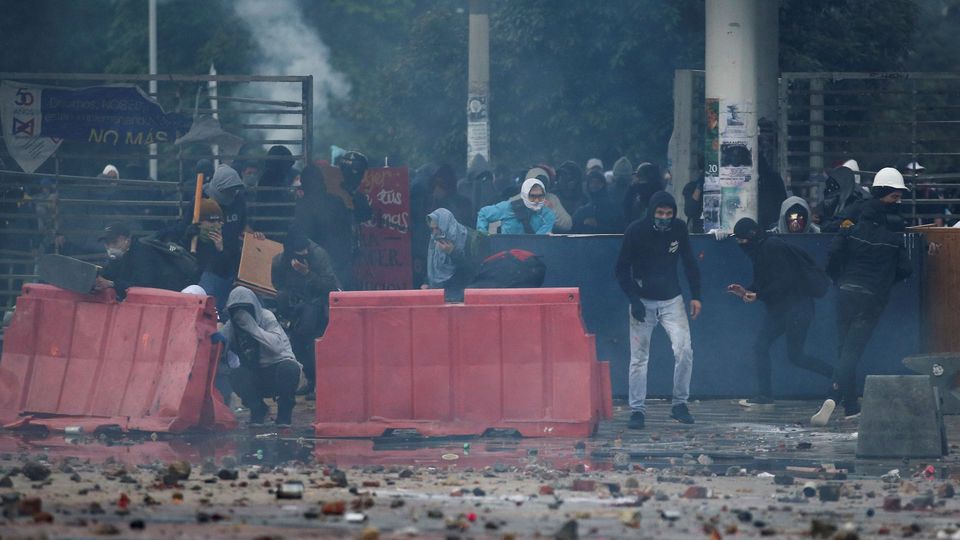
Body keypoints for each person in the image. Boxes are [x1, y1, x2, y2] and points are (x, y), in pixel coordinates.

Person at [809, 191, 912, 426]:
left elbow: (833, 254)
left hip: (846, 293)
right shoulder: (893, 239)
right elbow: (906, 270)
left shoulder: (850, 231)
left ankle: (851, 406)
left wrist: (838, 278)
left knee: (844, 348)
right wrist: (886, 281)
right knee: (851, 352)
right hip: (872, 299)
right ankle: (833, 395)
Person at [615, 191, 702, 429]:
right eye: (660, 213)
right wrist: (634, 299)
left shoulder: (679, 229)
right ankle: (637, 410)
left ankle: (680, 404)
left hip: (672, 299)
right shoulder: (636, 231)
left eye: (669, 213)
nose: (664, 217)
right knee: (639, 358)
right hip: (642, 300)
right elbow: (621, 269)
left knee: (684, 351)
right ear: (651, 211)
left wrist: (696, 296)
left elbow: (690, 262)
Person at [729, 218, 834, 407]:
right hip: (784, 309)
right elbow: (765, 281)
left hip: (797, 308)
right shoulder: (761, 249)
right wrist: (746, 291)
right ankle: (765, 394)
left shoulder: (771, 247)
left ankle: (839, 379)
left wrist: (758, 294)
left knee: (794, 355)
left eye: (742, 240)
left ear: (751, 236)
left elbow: (785, 281)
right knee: (767, 348)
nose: (740, 244)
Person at [271, 226, 340, 398]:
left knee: (314, 345)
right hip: (296, 305)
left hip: (319, 303)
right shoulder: (279, 261)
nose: (303, 254)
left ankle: (321, 384)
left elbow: (330, 286)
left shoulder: (318, 255)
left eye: (305, 251)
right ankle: (310, 380)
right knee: (298, 346)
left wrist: (307, 273)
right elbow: (278, 285)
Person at [220, 286, 302, 427]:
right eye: (237, 310)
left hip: (277, 371)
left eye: (245, 309)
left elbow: (276, 347)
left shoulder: (266, 317)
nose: (241, 314)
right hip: (255, 375)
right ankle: (258, 409)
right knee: (235, 374)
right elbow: (220, 348)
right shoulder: (232, 325)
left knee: (290, 368)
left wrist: (252, 328)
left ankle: (284, 415)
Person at [95, 221, 198, 298]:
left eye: (114, 243)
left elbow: (143, 286)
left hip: (166, 297)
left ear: (125, 240)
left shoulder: (143, 253)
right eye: (107, 244)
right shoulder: (118, 257)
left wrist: (112, 284)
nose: (110, 248)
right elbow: (109, 274)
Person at [294, 164, 357, 289]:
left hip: (315, 259)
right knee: (341, 293)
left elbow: (303, 234)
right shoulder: (336, 201)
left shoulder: (302, 206)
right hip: (340, 256)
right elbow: (347, 229)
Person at [424, 208, 489, 301]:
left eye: (437, 228)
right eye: (432, 229)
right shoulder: (436, 239)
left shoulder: (470, 239)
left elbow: (474, 272)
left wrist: (452, 252)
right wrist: (426, 282)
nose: (434, 232)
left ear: (445, 225)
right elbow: (433, 264)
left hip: (462, 296)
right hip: (439, 293)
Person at [476, 178, 557, 235]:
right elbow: (483, 214)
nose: (536, 200)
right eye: (532, 196)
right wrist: (483, 237)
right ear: (524, 195)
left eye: (540, 196)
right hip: (506, 253)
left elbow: (538, 242)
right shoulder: (508, 207)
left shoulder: (548, 216)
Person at [526, 166, 572, 232]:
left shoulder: (551, 199)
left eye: (542, 183)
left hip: (546, 241)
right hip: (520, 241)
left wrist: (551, 210)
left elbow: (568, 225)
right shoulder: (516, 200)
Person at [430, 164, 474, 228]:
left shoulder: (464, 203)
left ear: (448, 185)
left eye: (440, 184)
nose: (436, 189)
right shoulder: (434, 203)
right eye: (435, 184)